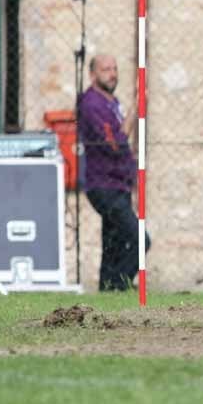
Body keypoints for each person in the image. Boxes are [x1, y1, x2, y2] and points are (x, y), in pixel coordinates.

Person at [79, 54, 149, 291]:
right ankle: (118, 286)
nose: (112, 74)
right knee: (141, 240)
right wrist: (135, 110)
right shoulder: (91, 104)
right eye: (105, 69)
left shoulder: (112, 102)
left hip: (120, 183)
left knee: (113, 244)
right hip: (103, 185)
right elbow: (115, 143)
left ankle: (106, 289)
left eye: (115, 68)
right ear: (93, 75)